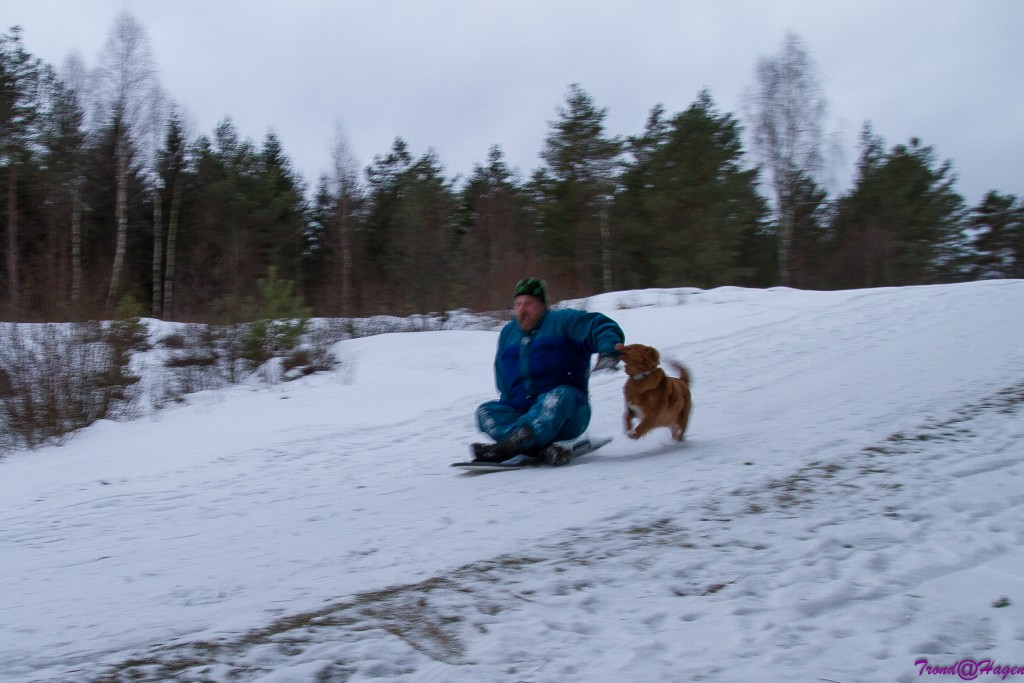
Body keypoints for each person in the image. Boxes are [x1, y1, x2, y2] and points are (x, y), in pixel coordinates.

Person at [472, 277, 625, 464]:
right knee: (485, 412)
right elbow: (503, 380)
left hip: (568, 413)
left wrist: (608, 352)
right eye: (518, 304)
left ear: (543, 305)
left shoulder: (564, 322)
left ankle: (513, 444)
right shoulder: (508, 334)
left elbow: (601, 326)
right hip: (524, 412)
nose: (522, 310)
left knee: (559, 397)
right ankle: (531, 444)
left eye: (529, 303)